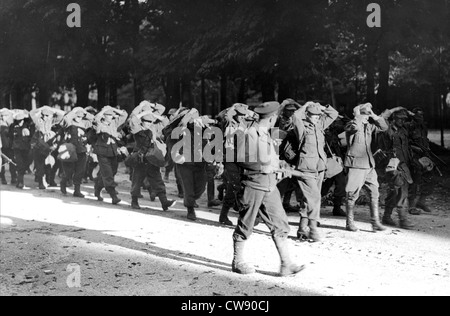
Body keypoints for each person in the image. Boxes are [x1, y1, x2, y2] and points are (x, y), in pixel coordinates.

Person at [231, 101, 304, 277]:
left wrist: (281, 166)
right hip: (254, 184)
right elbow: (240, 159)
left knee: (280, 224)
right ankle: (237, 261)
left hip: (270, 186)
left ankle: (286, 264)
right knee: (246, 223)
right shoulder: (249, 134)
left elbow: (270, 158)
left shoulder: (265, 134)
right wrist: (262, 167)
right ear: (271, 117)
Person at [292, 102, 339, 242]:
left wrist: (321, 108)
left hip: (319, 167)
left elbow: (334, 114)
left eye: (318, 116)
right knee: (315, 198)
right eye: (313, 116)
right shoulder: (301, 126)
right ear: (307, 115)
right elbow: (295, 116)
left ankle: (302, 228)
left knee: (311, 198)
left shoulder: (319, 126)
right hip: (305, 168)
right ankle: (313, 229)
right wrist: (306, 105)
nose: (317, 118)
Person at [343, 103, 388, 232]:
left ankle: (375, 222)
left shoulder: (368, 126)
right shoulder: (352, 124)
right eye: (365, 114)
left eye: (368, 115)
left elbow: (384, 127)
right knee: (352, 194)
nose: (367, 117)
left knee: (374, 192)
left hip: (368, 164)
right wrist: (357, 116)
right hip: (356, 165)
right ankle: (349, 223)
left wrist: (373, 115)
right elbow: (354, 128)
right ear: (359, 114)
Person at [128, 101, 176, 211]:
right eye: (146, 121)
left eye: (150, 121)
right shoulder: (137, 128)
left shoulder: (154, 127)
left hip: (152, 158)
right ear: (142, 121)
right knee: (137, 180)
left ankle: (164, 202)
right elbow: (133, 119)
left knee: (157, 180)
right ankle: (134, 201)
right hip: (140, 158)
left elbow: (165, 121)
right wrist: (141, 108)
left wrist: (153, 111)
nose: (149, 123)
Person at [378, 107, 415, 230]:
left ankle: (386, 217)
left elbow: (416, 123)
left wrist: (410, 113)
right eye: (399, 118)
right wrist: (395, 109)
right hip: (392, 165)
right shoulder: (387, 129)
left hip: (404, 164)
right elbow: (382, 117)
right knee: (401, 191)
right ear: (394, 118)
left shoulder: (404, 130)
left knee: (395, 191)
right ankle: (403, 220)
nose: (402, 121)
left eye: (404, 119)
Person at [93, 105, 128, 204]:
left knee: (111, 172)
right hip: (102, 153)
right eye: (109, 115)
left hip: (113, 152)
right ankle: (114, 196)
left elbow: (124, 115)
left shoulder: (113, 123)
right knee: (108, 175)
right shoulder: (99, 124)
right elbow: (96, 119)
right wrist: (104, 110)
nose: (111, 117)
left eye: (112, 115)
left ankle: (98, 187)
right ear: (103, 116)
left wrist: (112, 109)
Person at [276, 99, 304, 214]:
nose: (291, 112)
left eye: (293, 110)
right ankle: (277, 204)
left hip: (293, 150)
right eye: (288, 110)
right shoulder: (279, 120)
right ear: (284, 111)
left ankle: (286, 203)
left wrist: (297, 103)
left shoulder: (295, 119)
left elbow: (303, 111)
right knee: (283, 180)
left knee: (292, 181)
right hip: (283, 150)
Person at [60, 107, 95, 197]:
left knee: (80, 171)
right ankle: (63, 183)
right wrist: (74, 111)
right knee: (69, 170)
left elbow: (94, 119)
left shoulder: (84, 123)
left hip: (81, 150)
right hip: (70, 150)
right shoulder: (69, 123)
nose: (79, 118)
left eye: (80, 116)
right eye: (77, 116)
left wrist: (85, 113)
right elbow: (66, 119)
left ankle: (77, 190)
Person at [30, 106, 65, 189]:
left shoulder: (51, 120)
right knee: (39, 164)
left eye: (47, 115)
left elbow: (61, 115)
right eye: (44, 115)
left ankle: (50, 180)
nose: (45, 117)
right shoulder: (38, 120)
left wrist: (53, 110)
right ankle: (41, 182)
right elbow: (32, 113)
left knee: (50, 164)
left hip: (48, 144)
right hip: (38, 144)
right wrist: (41, 108)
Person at [407, 107, 434, 214]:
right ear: (413, 115)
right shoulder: (409, 126)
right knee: (415, 179)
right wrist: (415, 148)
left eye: (422, 115)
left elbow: (425, 140)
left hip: (424, 156)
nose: (421, 117)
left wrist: (427, 149)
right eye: (418, 115)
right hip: (413, 156)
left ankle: (421, 201)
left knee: (430, 177)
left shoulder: (423, 127)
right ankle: (411, 206)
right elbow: (405, 143)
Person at [321, 117, 347, 217]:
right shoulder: (319, 130)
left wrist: (340, 116)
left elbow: (347, 124)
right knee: (324, 186)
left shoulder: (334, 130)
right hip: (325, 163)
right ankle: (313, 207)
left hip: (337, 163)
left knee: (341, 185)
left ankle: (337, 207)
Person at [10, 110, 32, 189]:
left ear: (23, 120)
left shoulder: (28, 126)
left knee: (26, 163)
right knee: (20, 165)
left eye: (20, 120)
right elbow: (11, 137)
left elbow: (30, 137)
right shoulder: (13, 126)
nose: (19, 122)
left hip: (26, 148)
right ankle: (20, 182)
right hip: (17, 148)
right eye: (18, 121)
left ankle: (20, 180)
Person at [0, 109, 16, 185]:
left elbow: (12, 136)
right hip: (2, 147)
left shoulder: (11, 124)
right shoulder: (0, 125)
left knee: (12, 161)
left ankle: (13, 177)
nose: (3, 118)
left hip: (10, 146)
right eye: (2, 116)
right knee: (2, 163)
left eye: (5, 116)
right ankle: (3, 178)